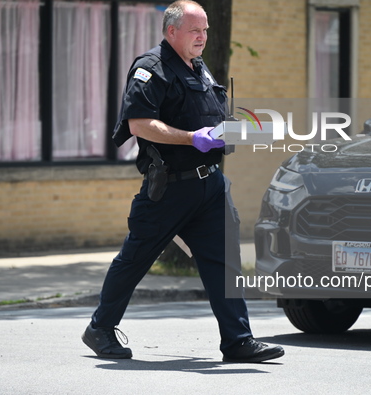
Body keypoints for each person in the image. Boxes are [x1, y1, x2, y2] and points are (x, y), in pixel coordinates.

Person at [82, 0, 284, 363]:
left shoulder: (200, 69)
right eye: (195, 30)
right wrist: (193, 138)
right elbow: (140, 124)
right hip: (170, 186)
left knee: (225, 261)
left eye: (205, 30)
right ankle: (100, 327)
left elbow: (209, 117)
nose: (203, 36)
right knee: (136, 258)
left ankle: (238, 341)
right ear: (172, 31)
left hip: (210, 185)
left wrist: (234, 132)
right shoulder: (151, 68)